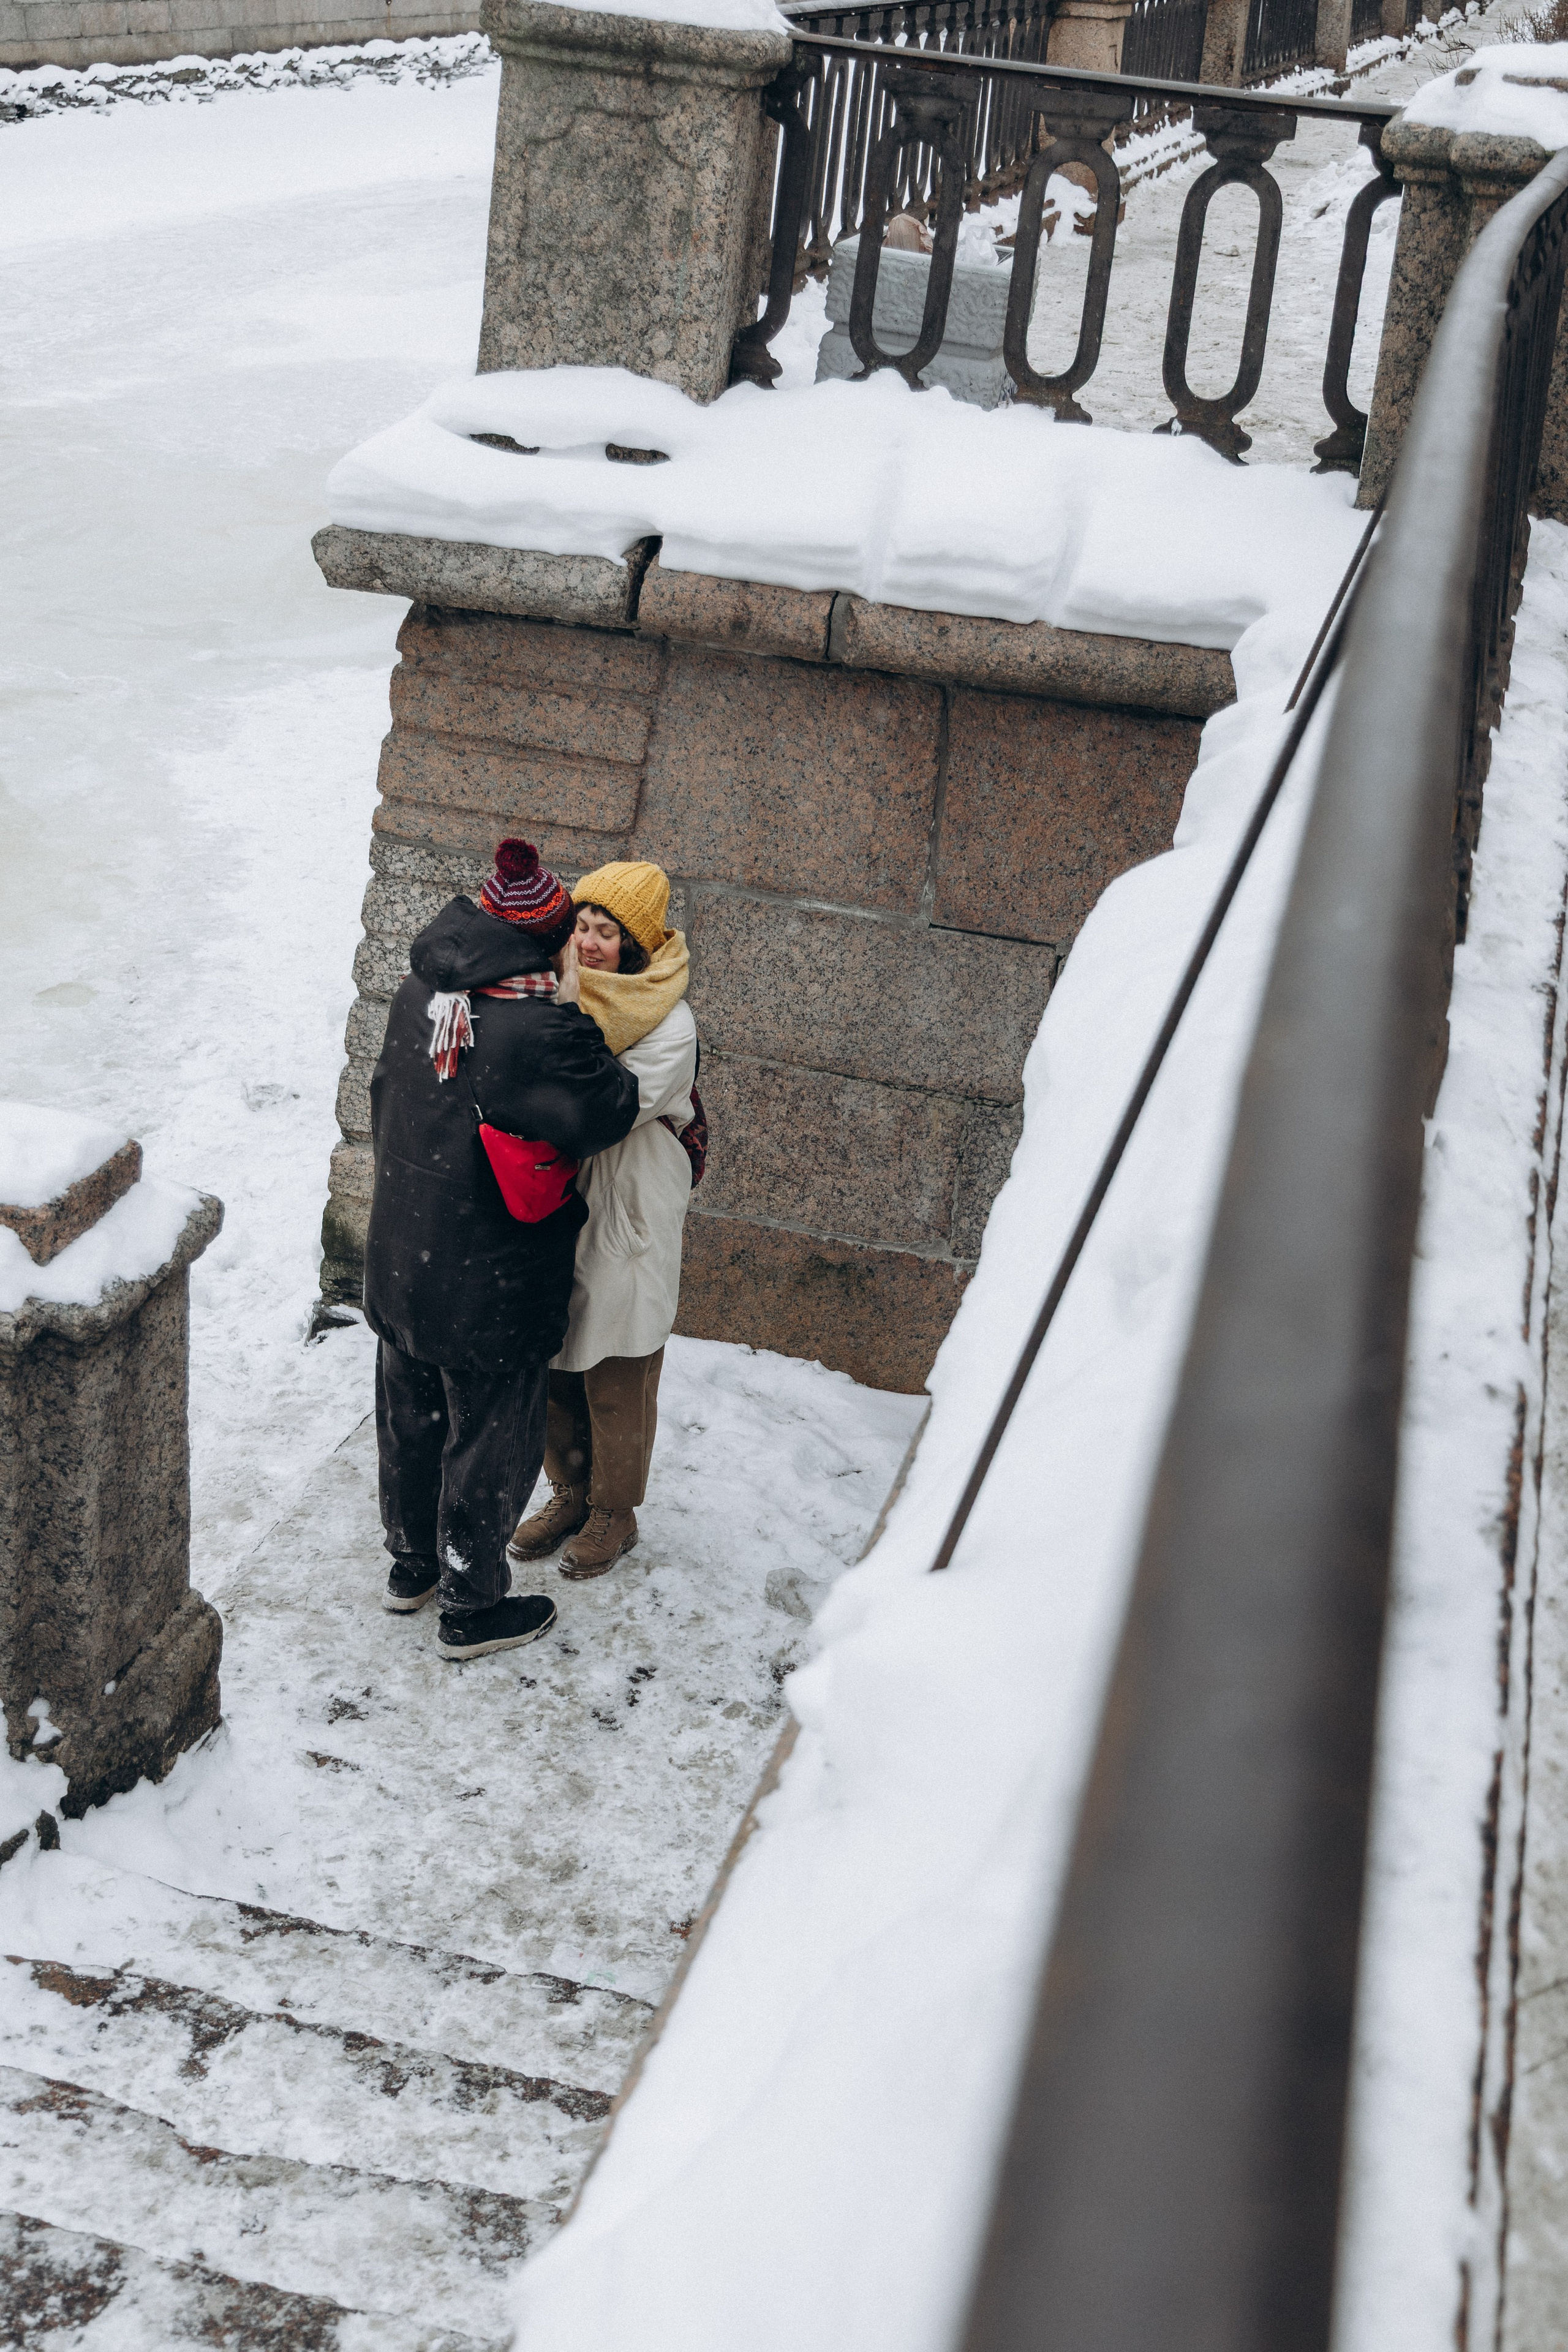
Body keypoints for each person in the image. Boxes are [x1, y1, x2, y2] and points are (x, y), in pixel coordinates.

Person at [363, 838, 639, 1661]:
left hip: (403, 1252)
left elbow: (384, 1097)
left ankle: (412, 1567)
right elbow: (609, 1109)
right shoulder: (537, 1027)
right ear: (546, 941)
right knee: (488, 1436)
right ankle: (472, 1605)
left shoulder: (425, 990)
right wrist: (580, 1010)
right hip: (489, 1278)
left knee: (411, 1417)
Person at [507, 860, 699, 1581]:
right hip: (562, 1199)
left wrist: (544, 1049)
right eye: (581, 928)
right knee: (554, 1348)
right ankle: (570, 1490)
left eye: (605, 933)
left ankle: (615, 1511)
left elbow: (597, 1109)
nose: (588, 944)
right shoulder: (558, 994)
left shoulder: (669, 1022)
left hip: (631, 1200)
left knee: (619, 1358)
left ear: (635, 947)